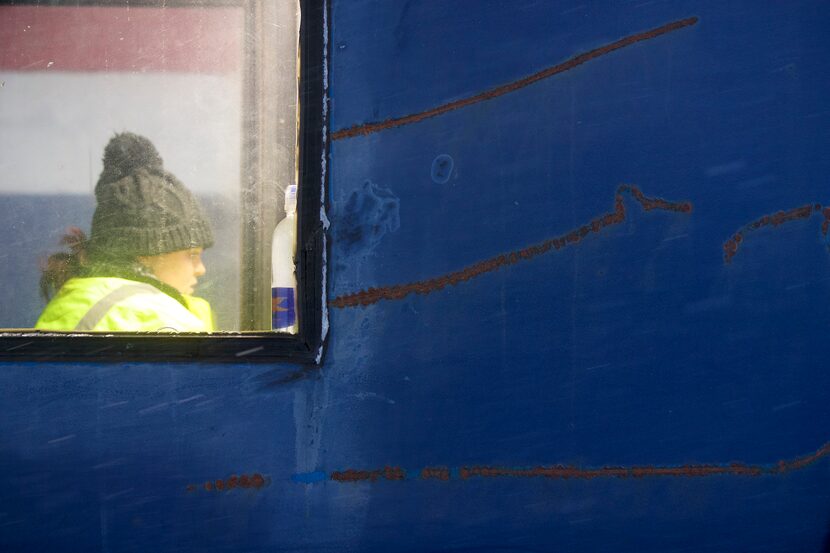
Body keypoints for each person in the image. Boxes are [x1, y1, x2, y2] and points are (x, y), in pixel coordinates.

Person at [36, 132, 215, 332]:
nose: (201, 269)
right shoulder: (166, 325)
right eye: (192, 255)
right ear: (145, 253)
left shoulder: (74, 308)